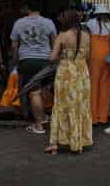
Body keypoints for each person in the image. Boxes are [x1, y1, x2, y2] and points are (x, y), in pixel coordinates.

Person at [43, 9, 92, 155]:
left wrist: (63, 58)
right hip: (82, 73)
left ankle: (54, 144)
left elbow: (52, 58)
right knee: (80, 106)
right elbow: (88, 57)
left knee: (61, 105)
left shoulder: (62, 36)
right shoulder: (86, 35)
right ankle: (78, 142)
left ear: (67, 20)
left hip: (65, 74)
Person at [10, 0, 56, 135]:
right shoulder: (49, 23)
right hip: (45, 61)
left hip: (27, 61)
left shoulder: (19, 23)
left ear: (27, 7)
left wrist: (15, 61)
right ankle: (44, 116)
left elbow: (14, 46)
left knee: (34, 93)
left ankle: (39, 125)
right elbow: (55, 44)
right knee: (44, 89)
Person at [85, 3, 110, 124]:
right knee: (105, 86)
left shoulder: (90, 23)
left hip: (93, 56)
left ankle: (93, 117)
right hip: (107, 57)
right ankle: (103, 116)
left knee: (93, 85)